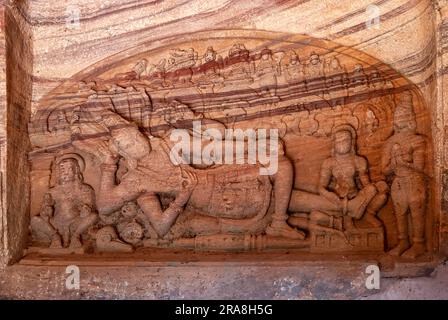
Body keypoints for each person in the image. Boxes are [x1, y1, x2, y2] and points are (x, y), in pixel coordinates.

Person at [382, 91, 427, 258]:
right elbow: (384, 170)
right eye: (397, 115)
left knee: (416, 211)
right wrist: (394, 164)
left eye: (404, 115)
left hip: (415, 181)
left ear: (411, 118)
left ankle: (419, 244)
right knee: (400, 213)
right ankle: (403, 242)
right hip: (398, 182)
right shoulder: (389, 143)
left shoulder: (417, 140)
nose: (400, 118)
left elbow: (420, 166)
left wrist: (403, 160)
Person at [31, 154, 97, 248]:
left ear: (76, 170)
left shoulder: (84, 189)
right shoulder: (52, 191)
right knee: (34, 220)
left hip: (76, 223)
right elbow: (45, 208)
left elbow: (89, 206)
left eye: (69, 169)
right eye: (62, 170)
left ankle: (76, 236)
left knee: (93, 216)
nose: (65, 172)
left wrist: (85, 210)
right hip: (56, 224)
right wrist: (46, 211)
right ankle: (55, 236)